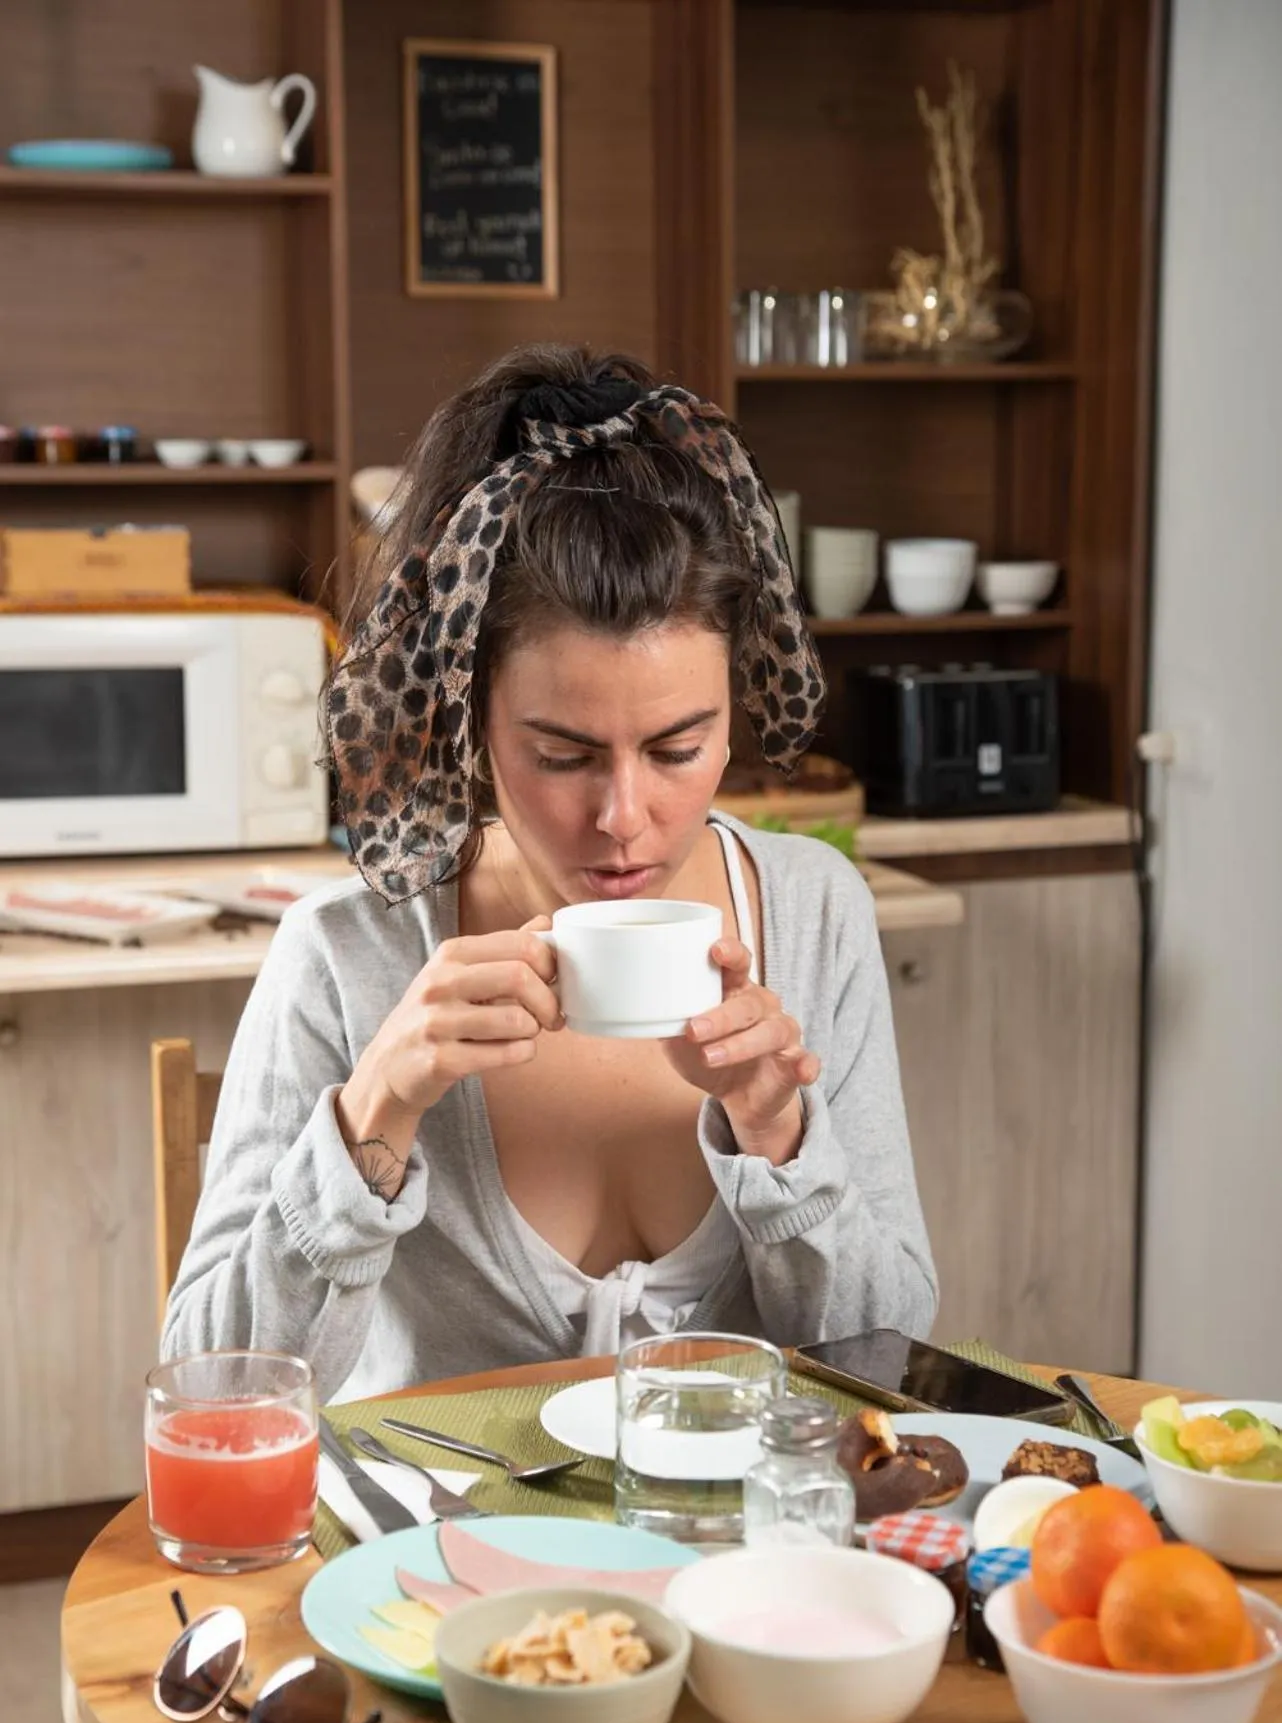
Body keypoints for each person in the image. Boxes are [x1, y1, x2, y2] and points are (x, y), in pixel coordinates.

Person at [162, 345, 937, 1402]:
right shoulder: (347, 954)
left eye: (677, 748)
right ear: (469, 720)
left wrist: (783, 1141)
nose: (623, 817)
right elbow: (212, 1390)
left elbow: (889, 1362)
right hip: (431, 1562)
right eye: (562, 754)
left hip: (739, 1560)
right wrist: (375, 1112)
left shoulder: (811, 914)